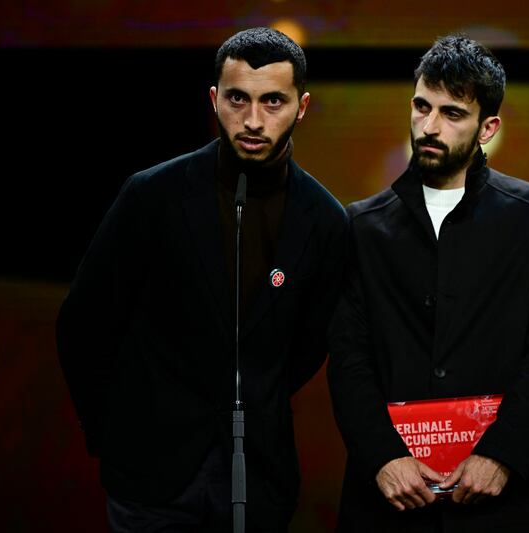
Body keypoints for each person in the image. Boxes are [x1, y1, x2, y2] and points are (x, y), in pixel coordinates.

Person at [56, 27, 347, 532]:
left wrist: (253, 386)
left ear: (301, 107)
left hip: (258, 478)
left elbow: (307, 347)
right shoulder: (152, 195)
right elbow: (85, 324)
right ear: (214, 99)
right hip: (150, 476)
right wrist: (113, 436)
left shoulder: (325, 220)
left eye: (272, 101)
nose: (253, 119)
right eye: (238, 98)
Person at [327, 34, 529, 532]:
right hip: (393, 499)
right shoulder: (360, 227)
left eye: (452, 113)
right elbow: (349, 357)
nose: (430, 125)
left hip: (511, 501)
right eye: (422, 107)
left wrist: (501, 455)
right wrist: (383, 457)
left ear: (489, 127)